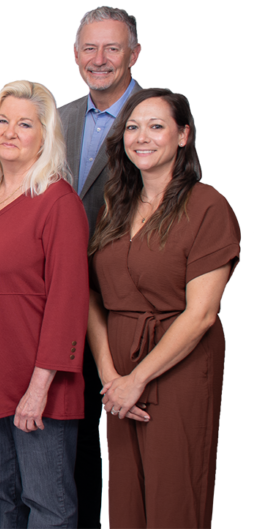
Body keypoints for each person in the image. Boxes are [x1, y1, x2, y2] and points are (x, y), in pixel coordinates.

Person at [88, 88, 239, 529]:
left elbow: (202, 314)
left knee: (174, 494)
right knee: (127, 501)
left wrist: (138, 379)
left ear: (183, 135)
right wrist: (111, 377)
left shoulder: (208, 205)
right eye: (132, 127)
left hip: (180, 367)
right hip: (117, 367)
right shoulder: (115, 207)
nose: (142, 137)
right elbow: (92, 297)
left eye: (156, 126)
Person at [0, 79, 89, 529]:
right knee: (4, 498)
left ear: (45, 135)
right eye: (3, 121)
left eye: (25, 124)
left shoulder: (58, 202)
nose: (10, 131)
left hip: (40, 387)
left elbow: (69, 303)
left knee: (47, 504)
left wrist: (39, 386)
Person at [58, 8, 142, 526]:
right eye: (90, 48)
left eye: (112, 48)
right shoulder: (60, 117)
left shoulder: (156, 114)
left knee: (131, 441)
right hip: (64, 303)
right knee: (76, 435)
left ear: (134, 54)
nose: (100, 59)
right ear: (75, 55)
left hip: (129, 302)